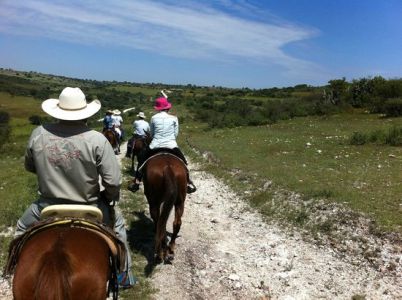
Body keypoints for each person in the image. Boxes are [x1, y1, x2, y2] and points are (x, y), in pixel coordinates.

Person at [15, 87, 136, 288]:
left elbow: (30, 166)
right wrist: (110, 196)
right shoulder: (97, 139)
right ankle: (124, 275)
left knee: (20, 228)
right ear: (85, 112)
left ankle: (12, 269)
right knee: (120, 227)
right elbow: (113, 181)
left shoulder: (39, 133)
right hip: (90, 206)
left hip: (47, 205)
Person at [129, 97, 196, 193]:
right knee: (184, 162)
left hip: (155, 145)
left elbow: (151, 134)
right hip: (171, 145)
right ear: (167, 107)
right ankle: (188, 182)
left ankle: (137, 181)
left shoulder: (153, 118)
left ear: (158, 108)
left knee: (141, 161)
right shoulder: (174, 118)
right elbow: (175, 134)